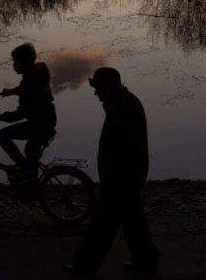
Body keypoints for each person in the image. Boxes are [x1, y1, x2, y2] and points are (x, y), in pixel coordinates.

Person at [63, 67, 159, 278]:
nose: (96, 94)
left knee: (101, 227)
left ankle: (83, 267)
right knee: (133, 221)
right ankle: (145, 259)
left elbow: (122, 151)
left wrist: (112, 181)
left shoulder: (121, 109)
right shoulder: (124, 103)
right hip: (127, 178)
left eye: (98, 89)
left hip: (121, 179)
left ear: (108, 89)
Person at [0, 42, 56, 181]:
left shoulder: (31, 81)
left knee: (3, 135)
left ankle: (25, 169)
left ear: (24, 63)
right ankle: (30, 179)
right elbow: (24, 89)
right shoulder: (35, 75)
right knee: (31, 152)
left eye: (15, 62)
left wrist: (0, 117)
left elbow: (20, 114)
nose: (13, 65)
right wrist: (12, 91)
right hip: (46, 121)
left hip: (39, 125)